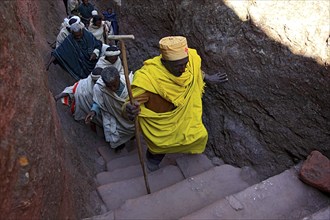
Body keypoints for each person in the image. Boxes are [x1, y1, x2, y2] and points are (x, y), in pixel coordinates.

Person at [123, 36, 228, 171]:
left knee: (199, 135)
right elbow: (130, 102)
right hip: (163, 125)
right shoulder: (148, 78)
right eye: (178, 66)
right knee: (160, 147)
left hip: (185, 116)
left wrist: (208, 77)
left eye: (185, 64)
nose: (184, 69)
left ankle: (192, 158)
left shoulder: (190, 60)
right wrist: (128, 109)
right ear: (164, 62)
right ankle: (152, 160)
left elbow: (195, 72)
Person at [85, 67, 135, 150]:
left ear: (118, 77)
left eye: (114, 85)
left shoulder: (130, 83)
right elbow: (98, 102)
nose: (112, 89)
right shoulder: (100, 87)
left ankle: (132, 138)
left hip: (128, 117)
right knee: (114, 134)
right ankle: (119, 146)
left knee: (133, 130)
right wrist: (93, 111)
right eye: (109, 86)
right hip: (114, 115)